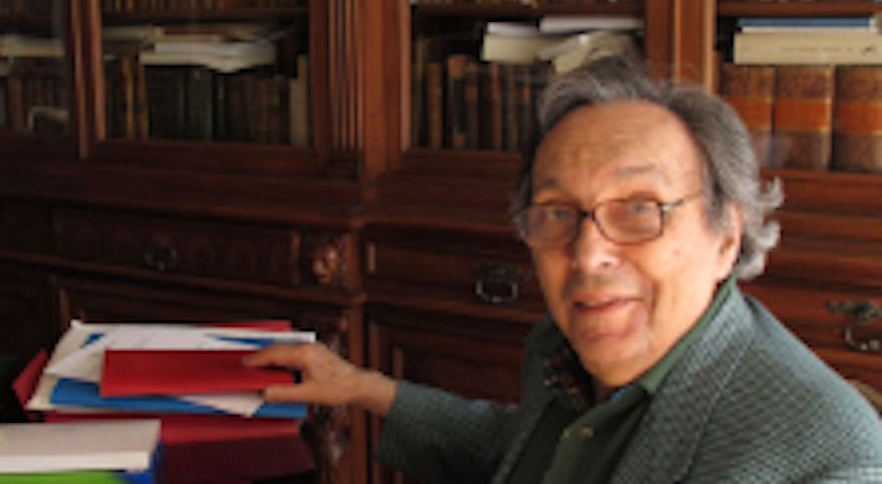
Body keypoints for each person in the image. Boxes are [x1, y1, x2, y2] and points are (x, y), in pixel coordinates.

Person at [244, 56, 882, 483]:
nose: (586, 255)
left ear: (725, 237)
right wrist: (359, 387)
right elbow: (529, 449)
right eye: (556, 213)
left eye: (639, 209)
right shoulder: (560, 350)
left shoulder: (828, 457)